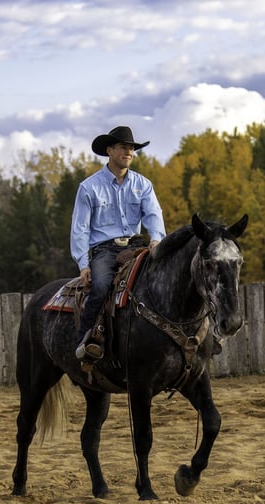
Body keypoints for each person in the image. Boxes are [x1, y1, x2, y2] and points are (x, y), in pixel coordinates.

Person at [70, 126, 166, 361]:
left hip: (136, 246)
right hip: (105, 250)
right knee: (101, 286)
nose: (129, 152)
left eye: (132, 148)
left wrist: (156, 240)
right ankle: (85, 341)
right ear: (110, 151)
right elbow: (80, 229)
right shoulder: (89, 187)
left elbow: (154, 216)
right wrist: (84, 264)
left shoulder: (143, 185)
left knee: (163, 282)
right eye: (124, 147)